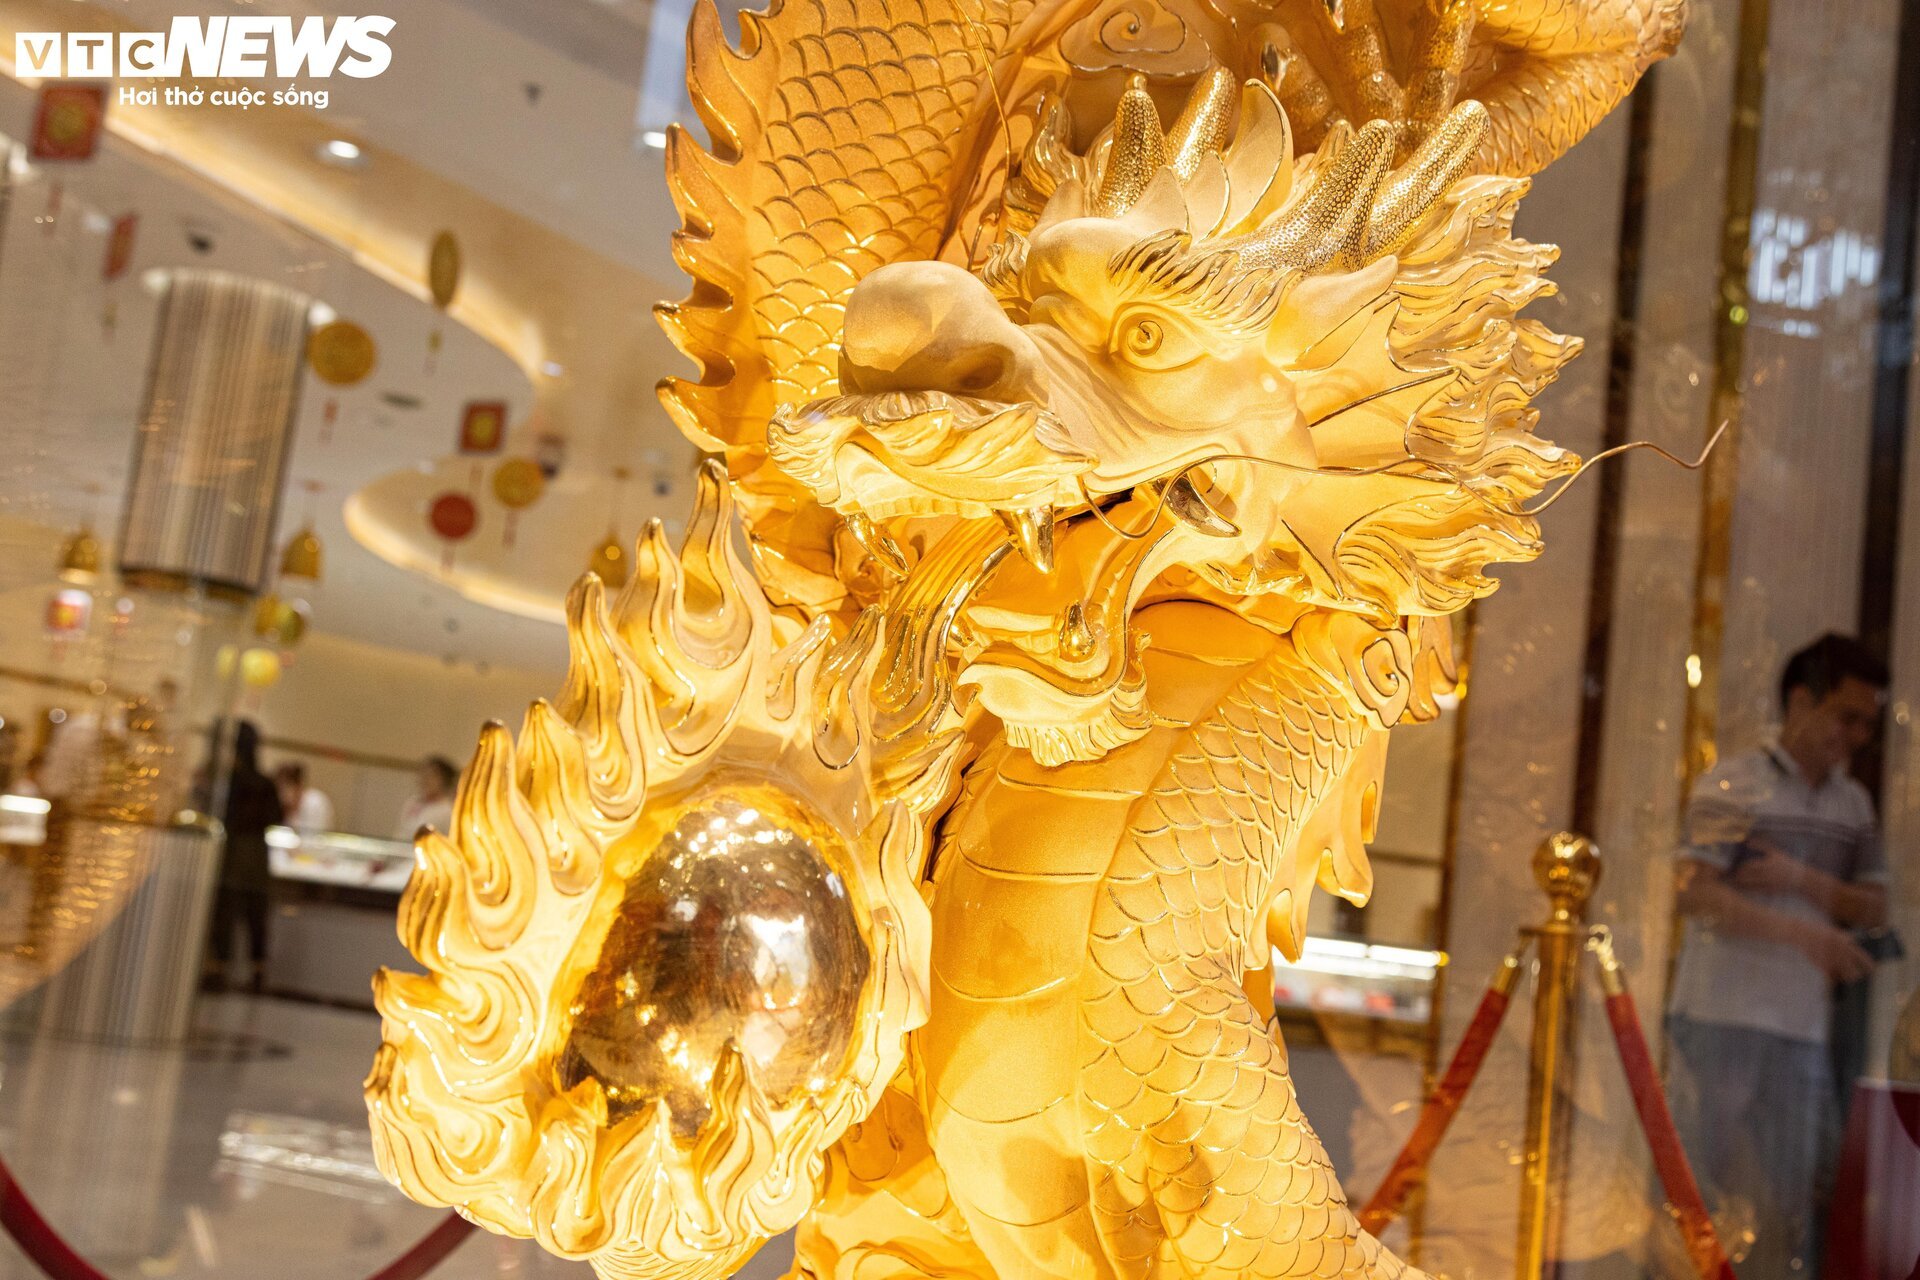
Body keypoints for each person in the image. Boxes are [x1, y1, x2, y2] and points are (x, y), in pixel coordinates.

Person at [1666, 633, 1890, 1277]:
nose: (1854, 736)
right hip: (1719, 1016)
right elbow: (1694, 894)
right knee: (1698, 1198)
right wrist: (1812, 935)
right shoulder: (1731, 782)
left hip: (1801, 1029)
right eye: (1847, 716)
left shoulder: (1854, 805)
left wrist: (1799, 878)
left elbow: (1874, 908)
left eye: (1867, 725)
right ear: (1801, 699)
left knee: (1790, 1207)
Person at [205, 720, 284, 993]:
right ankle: (257, 972)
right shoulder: (264, 783)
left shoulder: (229, 782)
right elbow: (276, 818)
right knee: (255, 917)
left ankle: (218, 969)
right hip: (257, 857)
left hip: (232, 855)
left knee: (226, 914)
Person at [393, 755, 457, 841]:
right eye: (424, 773)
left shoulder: (447, 811)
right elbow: (401, 832)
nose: (426, 779)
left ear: (444, 780)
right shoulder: (413, 802)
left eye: (432, 776)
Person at [274, 761, 335, 833]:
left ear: (298, 786)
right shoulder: (281, 807)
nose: (282, 794)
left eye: (285, 787)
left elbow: (317, 836)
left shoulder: (316, 802)